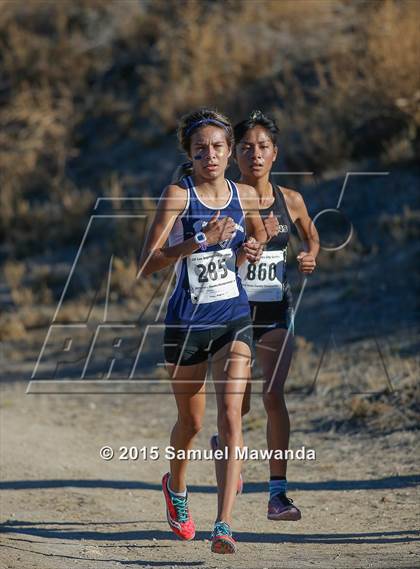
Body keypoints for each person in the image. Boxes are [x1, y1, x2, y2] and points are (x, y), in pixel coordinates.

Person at [139, 109, 275, 554]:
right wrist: (199, 240)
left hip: (233, 318)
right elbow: (149, 261)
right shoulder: (178, 196)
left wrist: (251, 248)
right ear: (190, 154)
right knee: (191, 422)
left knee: (231, 416)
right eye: (201, 149)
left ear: (230, 151)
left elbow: (250, 246)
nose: (210, 155)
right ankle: (176, 488)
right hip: (185, 324)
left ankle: (223, 525)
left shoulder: (246, 195)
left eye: (218, 147)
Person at [210, 110, 319, 521]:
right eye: (246, 147)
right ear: (235, 154)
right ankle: (227, 443)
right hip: (232, 310)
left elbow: (311, 233)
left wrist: (310, 255)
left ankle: (278, 495)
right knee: (237, 407)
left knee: (273, 395)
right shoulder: (224, 197)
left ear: (275, 153)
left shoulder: (291, 199)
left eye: (263, 147)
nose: (255, 154)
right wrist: (242, 250)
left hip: (275, 309)